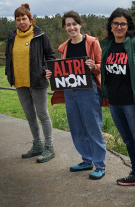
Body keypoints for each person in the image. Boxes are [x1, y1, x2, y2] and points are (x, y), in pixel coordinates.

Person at [100, 8, 135, 198]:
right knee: (128, 140)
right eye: (115, 23)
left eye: (123, 23)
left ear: (128, 25)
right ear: (111, 25)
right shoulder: (107, 45)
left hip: (132, 101)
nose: (119, 27)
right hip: (114, 101)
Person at [50, 11, 107, 180]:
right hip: (69, 91)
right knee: (76, 127)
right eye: (68, 25)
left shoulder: (92, 43)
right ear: (65, 28)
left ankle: (100, 165)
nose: (71, 27)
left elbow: (102, 65)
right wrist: (52, 73)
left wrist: (93, 67)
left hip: (88, 91)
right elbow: (63, 69)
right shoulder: (65, 47)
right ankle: (86, 160)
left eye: (74, 24)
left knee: (92, 127)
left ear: (80, 24)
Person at [5, 3, 56, 163]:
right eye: (18, 19)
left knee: (42, 115)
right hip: (19, 82)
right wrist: (9, 74)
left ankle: (49, 147)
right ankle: (37, 145)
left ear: (30, 19)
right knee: (30, 116)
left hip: (37, 81)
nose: (21, 22)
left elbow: (51, 55)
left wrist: (47, 69)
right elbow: (8, 56)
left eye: (24, 19)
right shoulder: (12, 36)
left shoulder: (40, 35)